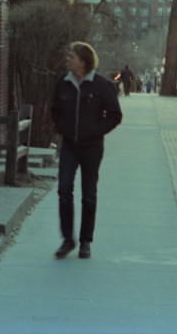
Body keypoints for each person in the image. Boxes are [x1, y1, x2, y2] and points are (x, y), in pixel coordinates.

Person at [50, 41, 122, 259]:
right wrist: (63, 128)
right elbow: (55, 110)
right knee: (64, 190)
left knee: (88, 195)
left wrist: (95, 131)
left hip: (92, 147)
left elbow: (115, 115)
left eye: (71, 57)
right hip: (70, 145)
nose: (67, 60)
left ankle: (85, 241)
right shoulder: (63, 83)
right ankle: (67, 239)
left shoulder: (101, 85)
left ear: (83, 61)